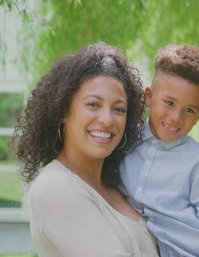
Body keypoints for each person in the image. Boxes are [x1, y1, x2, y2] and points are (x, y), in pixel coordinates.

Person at [13, 42, 158, 256]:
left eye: (119, 109)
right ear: (63, 110)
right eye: (93, 105)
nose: (108, 120)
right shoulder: (55, 188)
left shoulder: (120, 184)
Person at [119, 44, 199, 257]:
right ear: (149, 97)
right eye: (169, 103)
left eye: (189, 110)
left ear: (198, 116)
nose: (176, 117)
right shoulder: (124, 142)